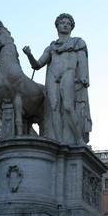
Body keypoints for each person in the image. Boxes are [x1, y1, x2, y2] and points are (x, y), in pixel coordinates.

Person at [23, 13, 91, 145]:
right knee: (53, 108)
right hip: (52, 77)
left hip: (69, 73)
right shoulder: (51, 47)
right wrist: (29, 54)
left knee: (67, 107)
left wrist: (83, 77)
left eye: (68, 23)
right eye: (62, 22)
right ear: (57, 26)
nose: (65, 24)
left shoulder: (78, 42)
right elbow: (37, 65)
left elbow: (83, 62)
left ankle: (79, 140)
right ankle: (59, 143)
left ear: (71, 27)